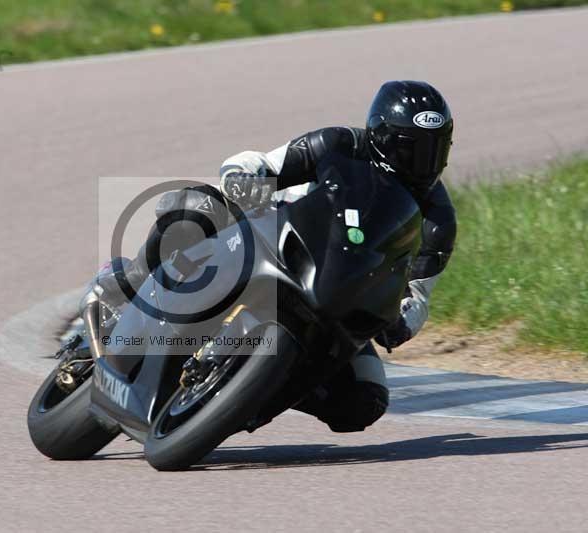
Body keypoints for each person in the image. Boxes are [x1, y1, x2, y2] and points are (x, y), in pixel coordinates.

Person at [82, 80, 457, 433]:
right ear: (381, 137)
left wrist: (401, 320)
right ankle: (126, 286)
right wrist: (244, 179)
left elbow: (417, 295)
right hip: (270, 237)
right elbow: (262, 163)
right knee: (197, 208)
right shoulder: (338, 143)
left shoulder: (438, 220)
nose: (423, 163)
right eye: (412, 149)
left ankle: (247, 397)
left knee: (364, 400)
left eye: (435, 150)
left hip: (337, 297)